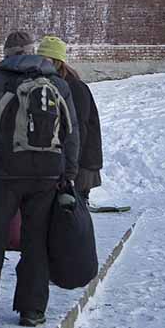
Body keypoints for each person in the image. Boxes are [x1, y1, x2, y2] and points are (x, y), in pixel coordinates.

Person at [0, 31, 80, 328]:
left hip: (7, 172)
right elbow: (71, 132)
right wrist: (69, 172)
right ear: (32, 51)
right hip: (47, 173)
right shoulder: (58, 83)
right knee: (36, 240)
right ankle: (32, 310)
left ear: (7, 53)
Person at [36, 36, 103, 206]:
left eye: (46, 59)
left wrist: (71, 167)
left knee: (75, 212)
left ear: (58, 61)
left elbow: (79, 128)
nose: (41, 63)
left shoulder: (75, 87)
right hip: (64, 159)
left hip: (81, 161)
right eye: (39, 58)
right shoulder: (46, 83)